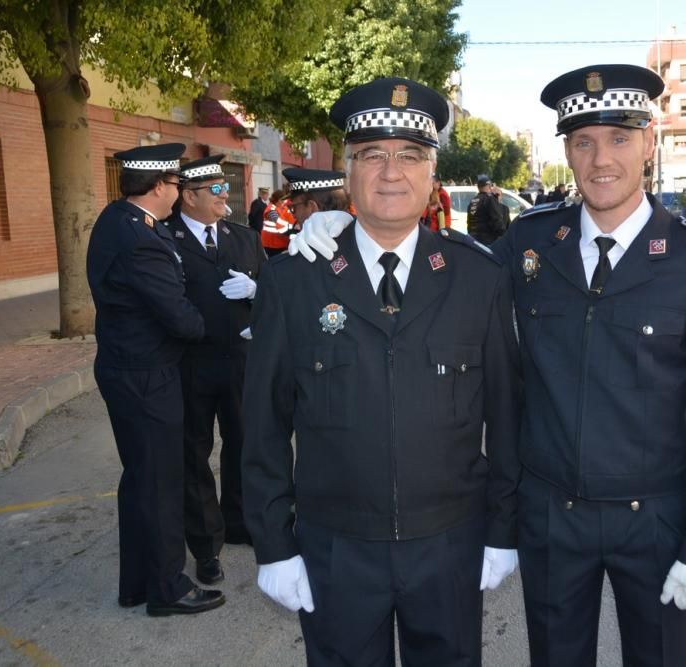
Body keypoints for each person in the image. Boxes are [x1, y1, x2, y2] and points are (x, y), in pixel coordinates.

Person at [289, 65, 686, 667]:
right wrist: (345, 227)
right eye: (582, 142)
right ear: (567, 150)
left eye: (618, 138)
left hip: (656, 519)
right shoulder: (531, 244)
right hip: (551, 520)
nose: (600, 159)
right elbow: (436, 266)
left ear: (649, 143)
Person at [242, 76, 521, 666]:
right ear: (349, 172)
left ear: (431, 174)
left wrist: (503, 527)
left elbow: (507, 414)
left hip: (449, 544)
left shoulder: (478, 279)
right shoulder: (295, 282)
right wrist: (273, 544)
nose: (392, 172)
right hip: (336, 549)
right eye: (373, 155)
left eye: (411, 156)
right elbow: (261, 424)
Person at [86, 144, 225, 617]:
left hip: (130, 367)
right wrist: (213, 325)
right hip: (147, 374)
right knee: (161, 482)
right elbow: (179, 317)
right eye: (175, 186)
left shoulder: (118, 219)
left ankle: (138, 583)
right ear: (159, 187)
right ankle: (167, 588)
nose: (178, 194)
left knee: (141, 480)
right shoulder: (140, 238)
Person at [164, 155, 265, 587]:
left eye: (226, 188)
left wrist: (258, 290)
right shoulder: (163, 240)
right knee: (194, 453)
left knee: (244, 445)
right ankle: (206, 545)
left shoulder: (243, 237)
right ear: (188, 196)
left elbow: (274, 293)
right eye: (216, 190)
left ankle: (240, 521)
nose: (227, 196)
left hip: (240, 362)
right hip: (191, 364)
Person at [467, 174, 507, 245]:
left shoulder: (473, 201)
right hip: (486, 240)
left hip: (473, 240)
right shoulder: (489, 199)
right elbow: (497, 220)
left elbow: (469, 222)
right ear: (489, 186)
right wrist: (505, 235)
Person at [261, 189, 297, 257]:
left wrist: (295, 225)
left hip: (279, 243)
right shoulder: (271, 210)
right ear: (277, 200)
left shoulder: (281, 208)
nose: (284, 202)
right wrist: (293, 229)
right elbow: (279, 223)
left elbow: (290, 220)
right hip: (272, 244)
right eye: (282, 200)